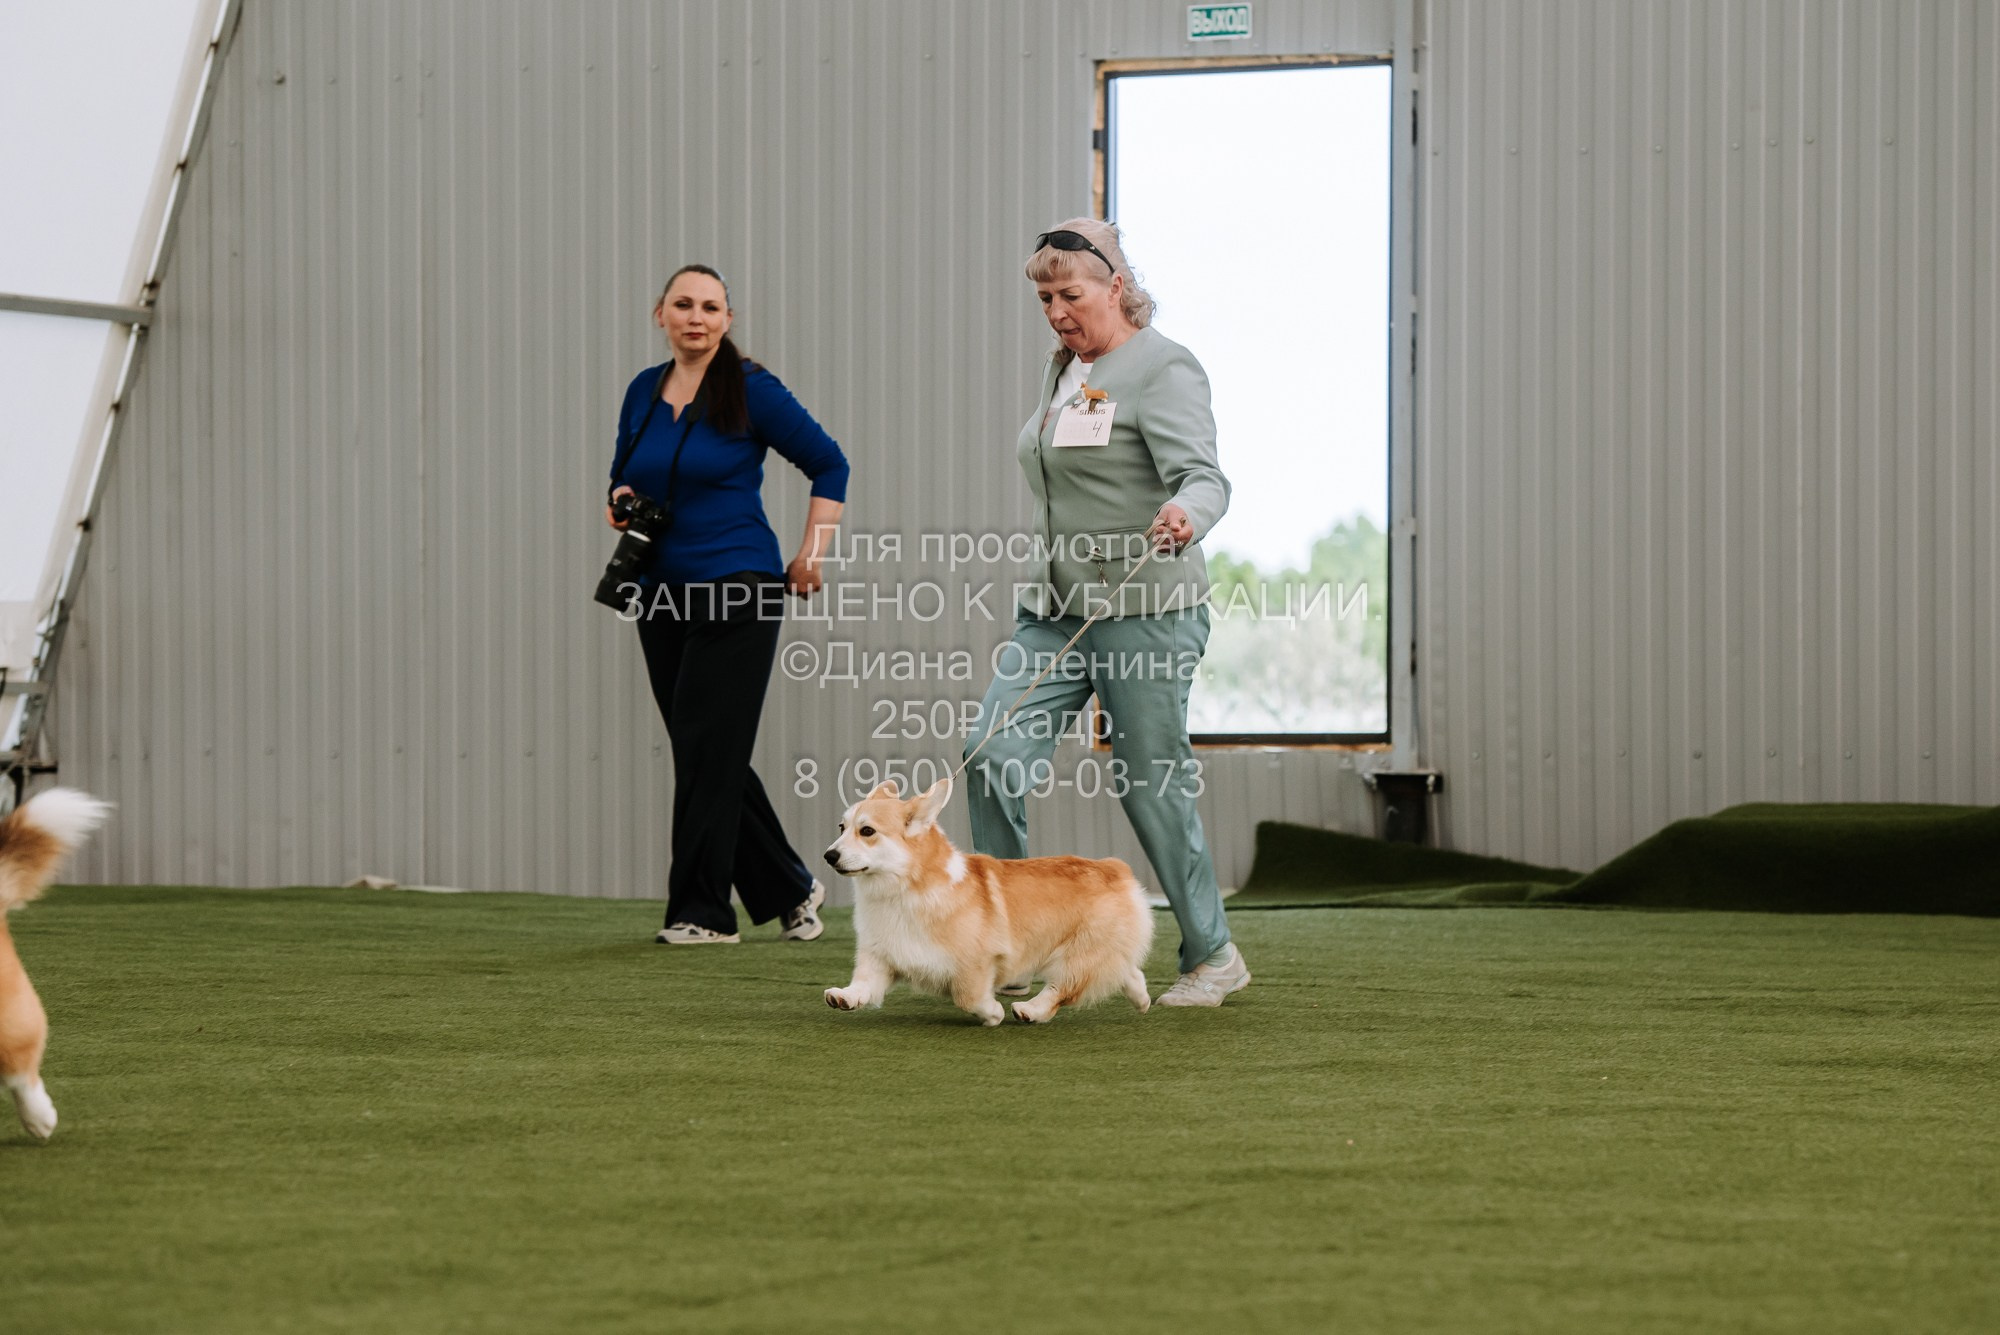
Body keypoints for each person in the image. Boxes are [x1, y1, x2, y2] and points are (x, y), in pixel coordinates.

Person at [960, 218, 1249, 1007]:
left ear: (1117, 286)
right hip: (1055, 610)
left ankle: (1213, 954)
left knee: (1150, 782)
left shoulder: (1165, 367)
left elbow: (1206, 478)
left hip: (1145, 608)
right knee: (989, 751)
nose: (1056, 309)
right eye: (1045, 296)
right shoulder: (1063, 370)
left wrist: (1187, 513)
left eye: (1071, 293)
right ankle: (1004, 943)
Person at [607, 264, 848, 945]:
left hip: (738, 587)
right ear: (661, 314)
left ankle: (704, 913)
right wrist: (620, 502)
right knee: (705, 749)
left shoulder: (751, 390)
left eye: (710, 306)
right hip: (659, 594)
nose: (696, 316)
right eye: (683, 304)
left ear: (727, 320)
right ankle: (793, 888)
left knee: (708, 752)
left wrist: (812, 553)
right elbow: (622, 476)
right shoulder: (642, 391)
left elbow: (831, 464)